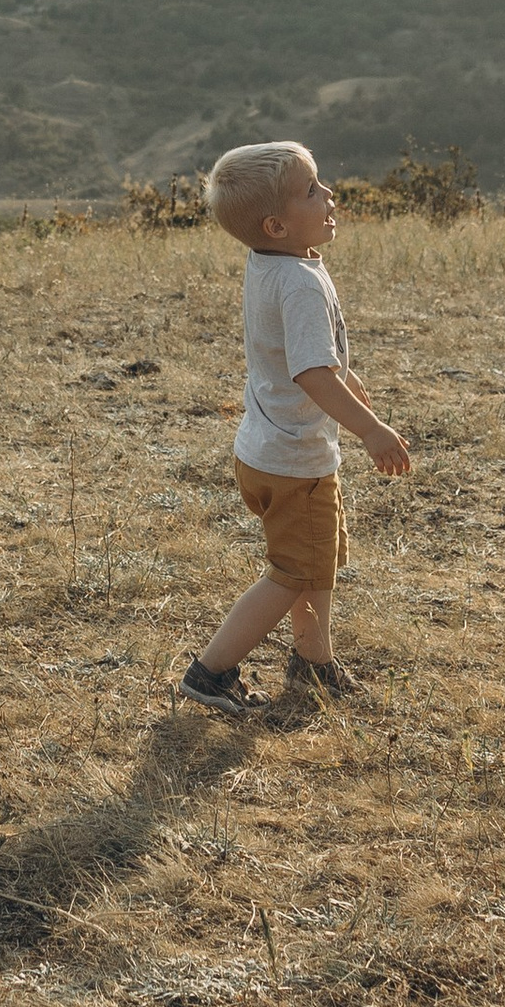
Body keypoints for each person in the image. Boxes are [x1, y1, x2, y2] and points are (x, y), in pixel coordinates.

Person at [176, 140, 410, 717]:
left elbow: (300, 358)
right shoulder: (302, 282)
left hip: (263, 450)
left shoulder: (274, 262)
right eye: (311, 189)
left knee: (314, 564)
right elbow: (311, 373)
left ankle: (314, 663)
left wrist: (348, 386)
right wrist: (371, 429)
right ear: (276, 223)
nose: (328, 194)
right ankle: (211, 672)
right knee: (289, 576)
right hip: (294, 462)